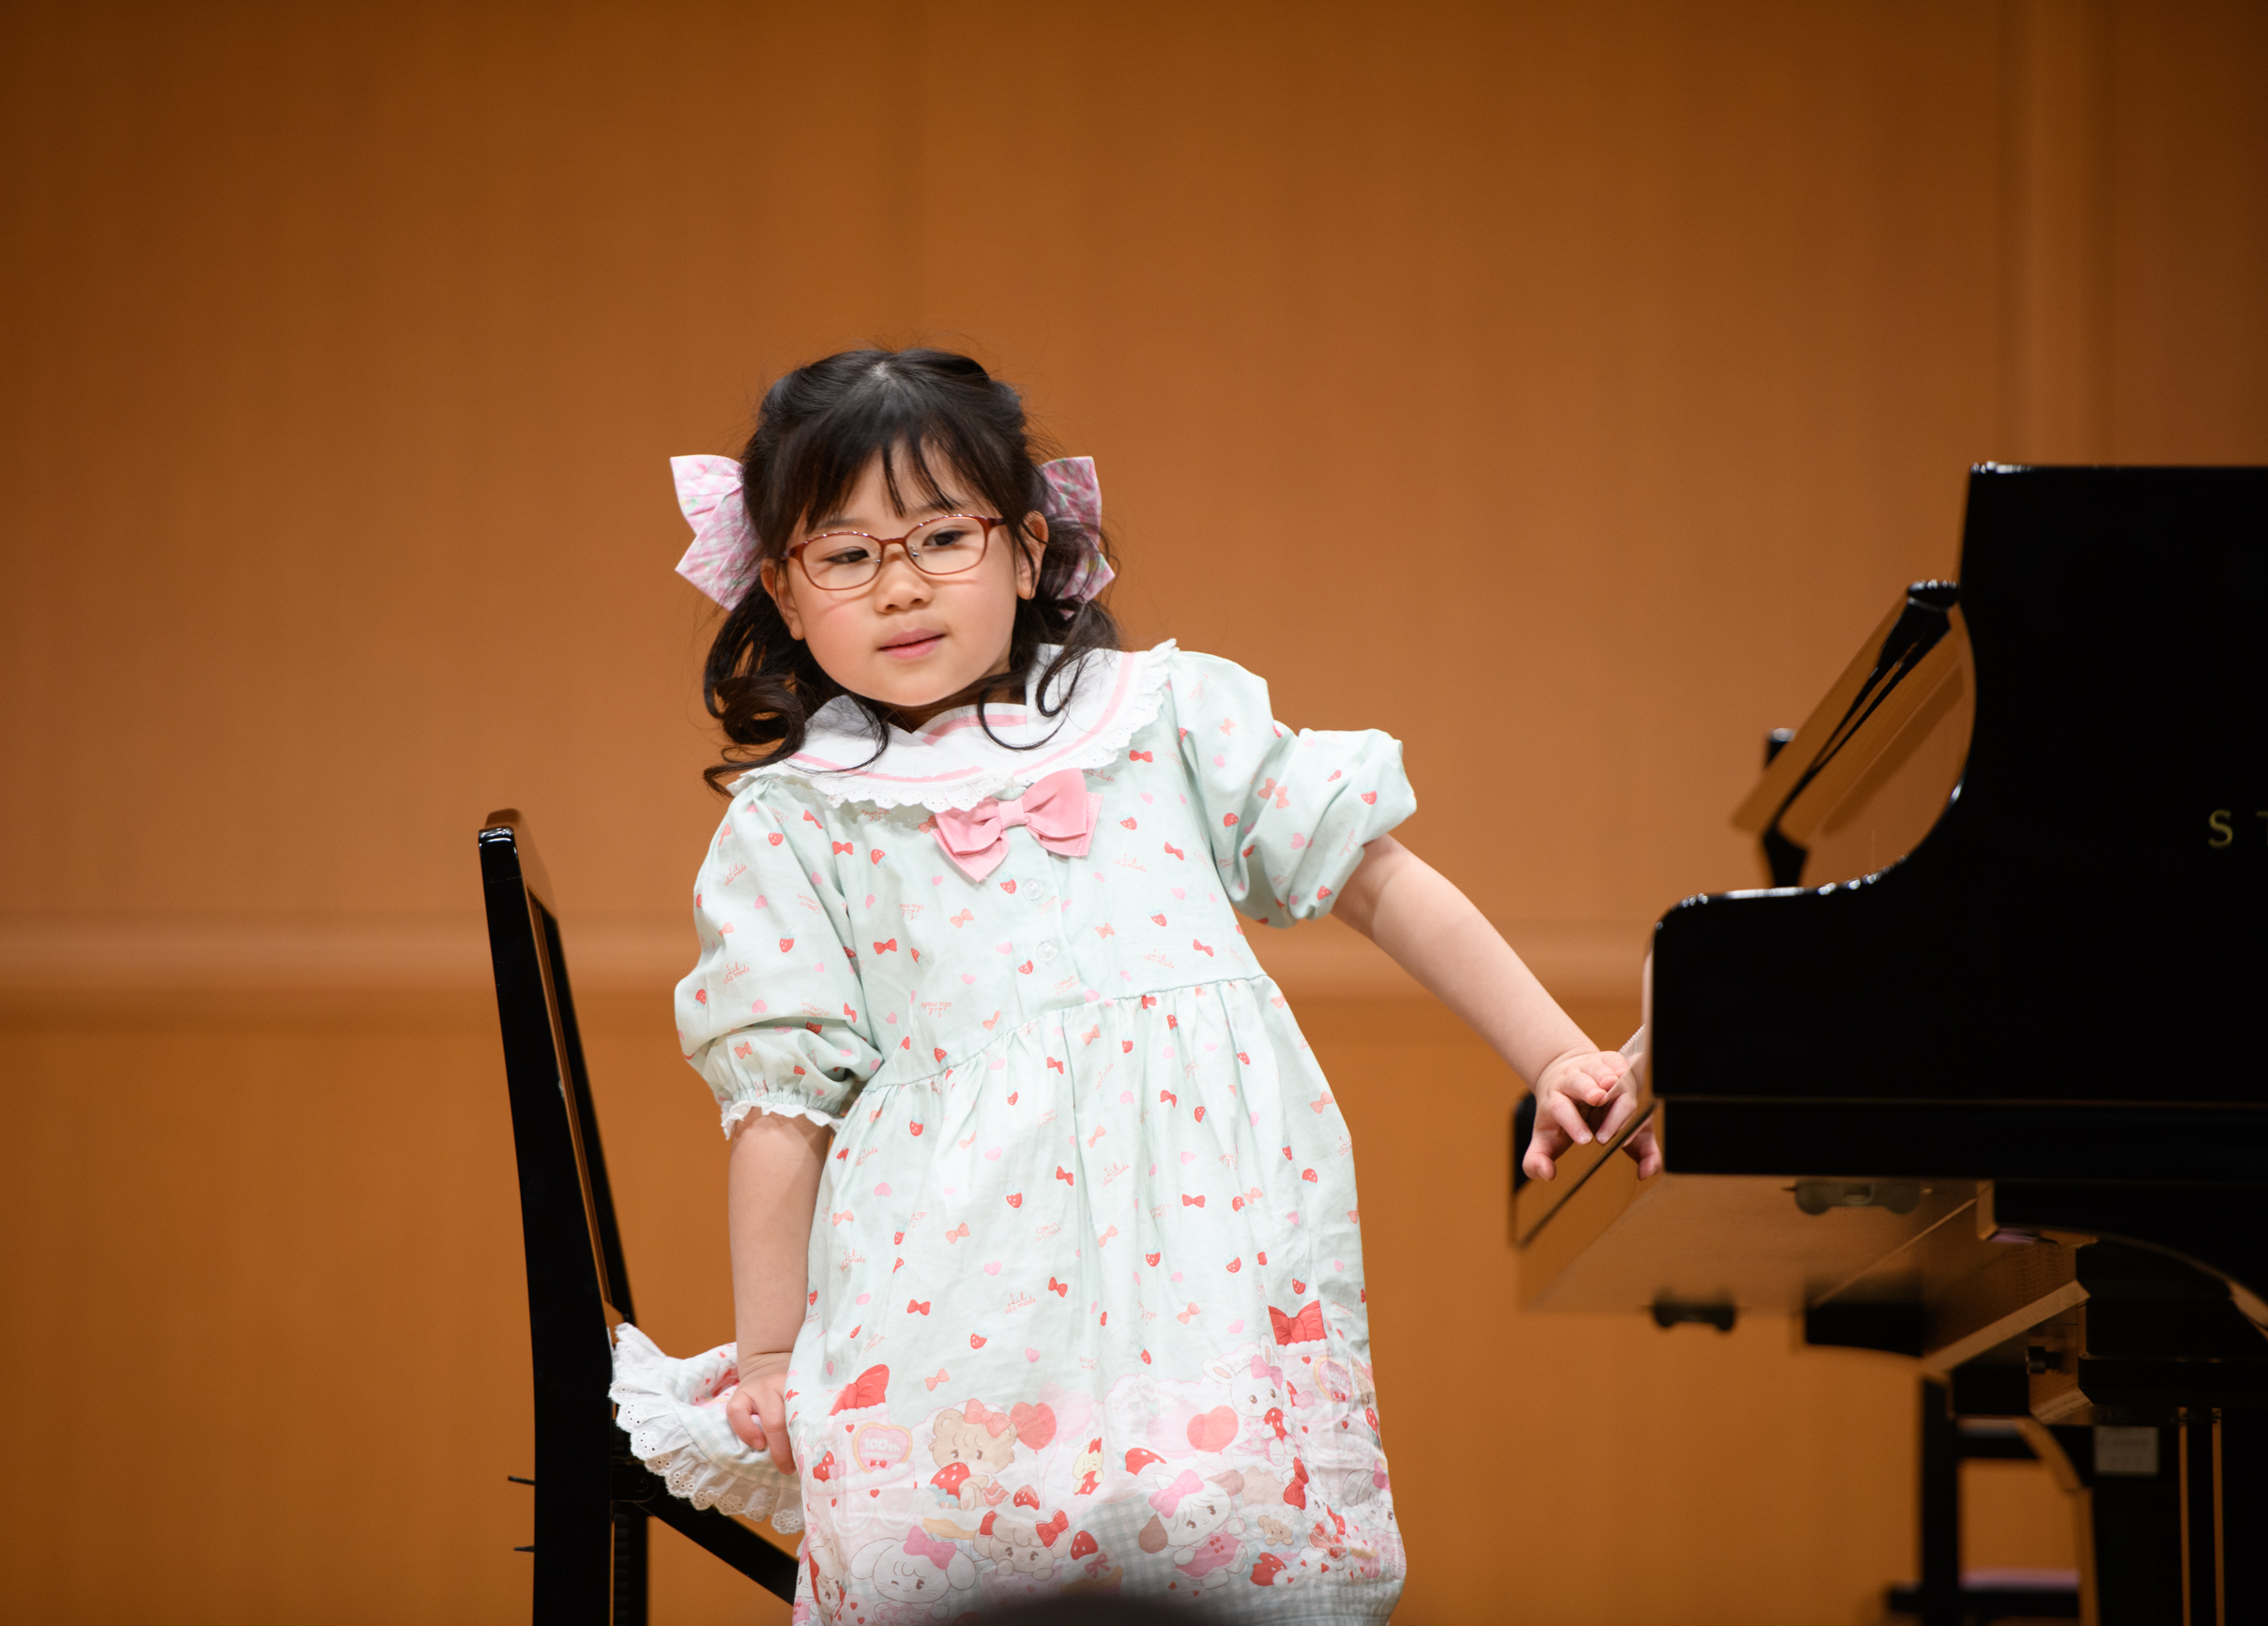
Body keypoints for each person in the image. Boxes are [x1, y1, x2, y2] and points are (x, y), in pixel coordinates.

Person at [607, 347, 1657, 1622]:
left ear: (1030, 546)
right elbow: (780, 1107)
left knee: (1235, 1552)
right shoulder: (799, 820)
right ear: (780, 582)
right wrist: (770, 1349)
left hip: (1204, 1256)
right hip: (955, 1286)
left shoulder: (1162, 715)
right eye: (847, 554)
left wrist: (1554, 1053)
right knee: (964, 1563)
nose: (901, 585)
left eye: (942, 534)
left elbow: (1374, 873)